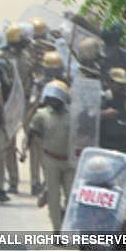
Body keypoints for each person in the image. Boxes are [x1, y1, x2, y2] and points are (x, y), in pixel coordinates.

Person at [25, 81, 73, 231]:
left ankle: (69, 224)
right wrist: (26, 147)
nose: (53, 101)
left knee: (71, 196)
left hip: (70, 162)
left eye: (57, 97)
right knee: (54, 197)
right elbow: (32, 132)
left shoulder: (73, 115)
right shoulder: (42, 114)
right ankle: (57, 230)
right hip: (51, 160)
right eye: (51, 98)